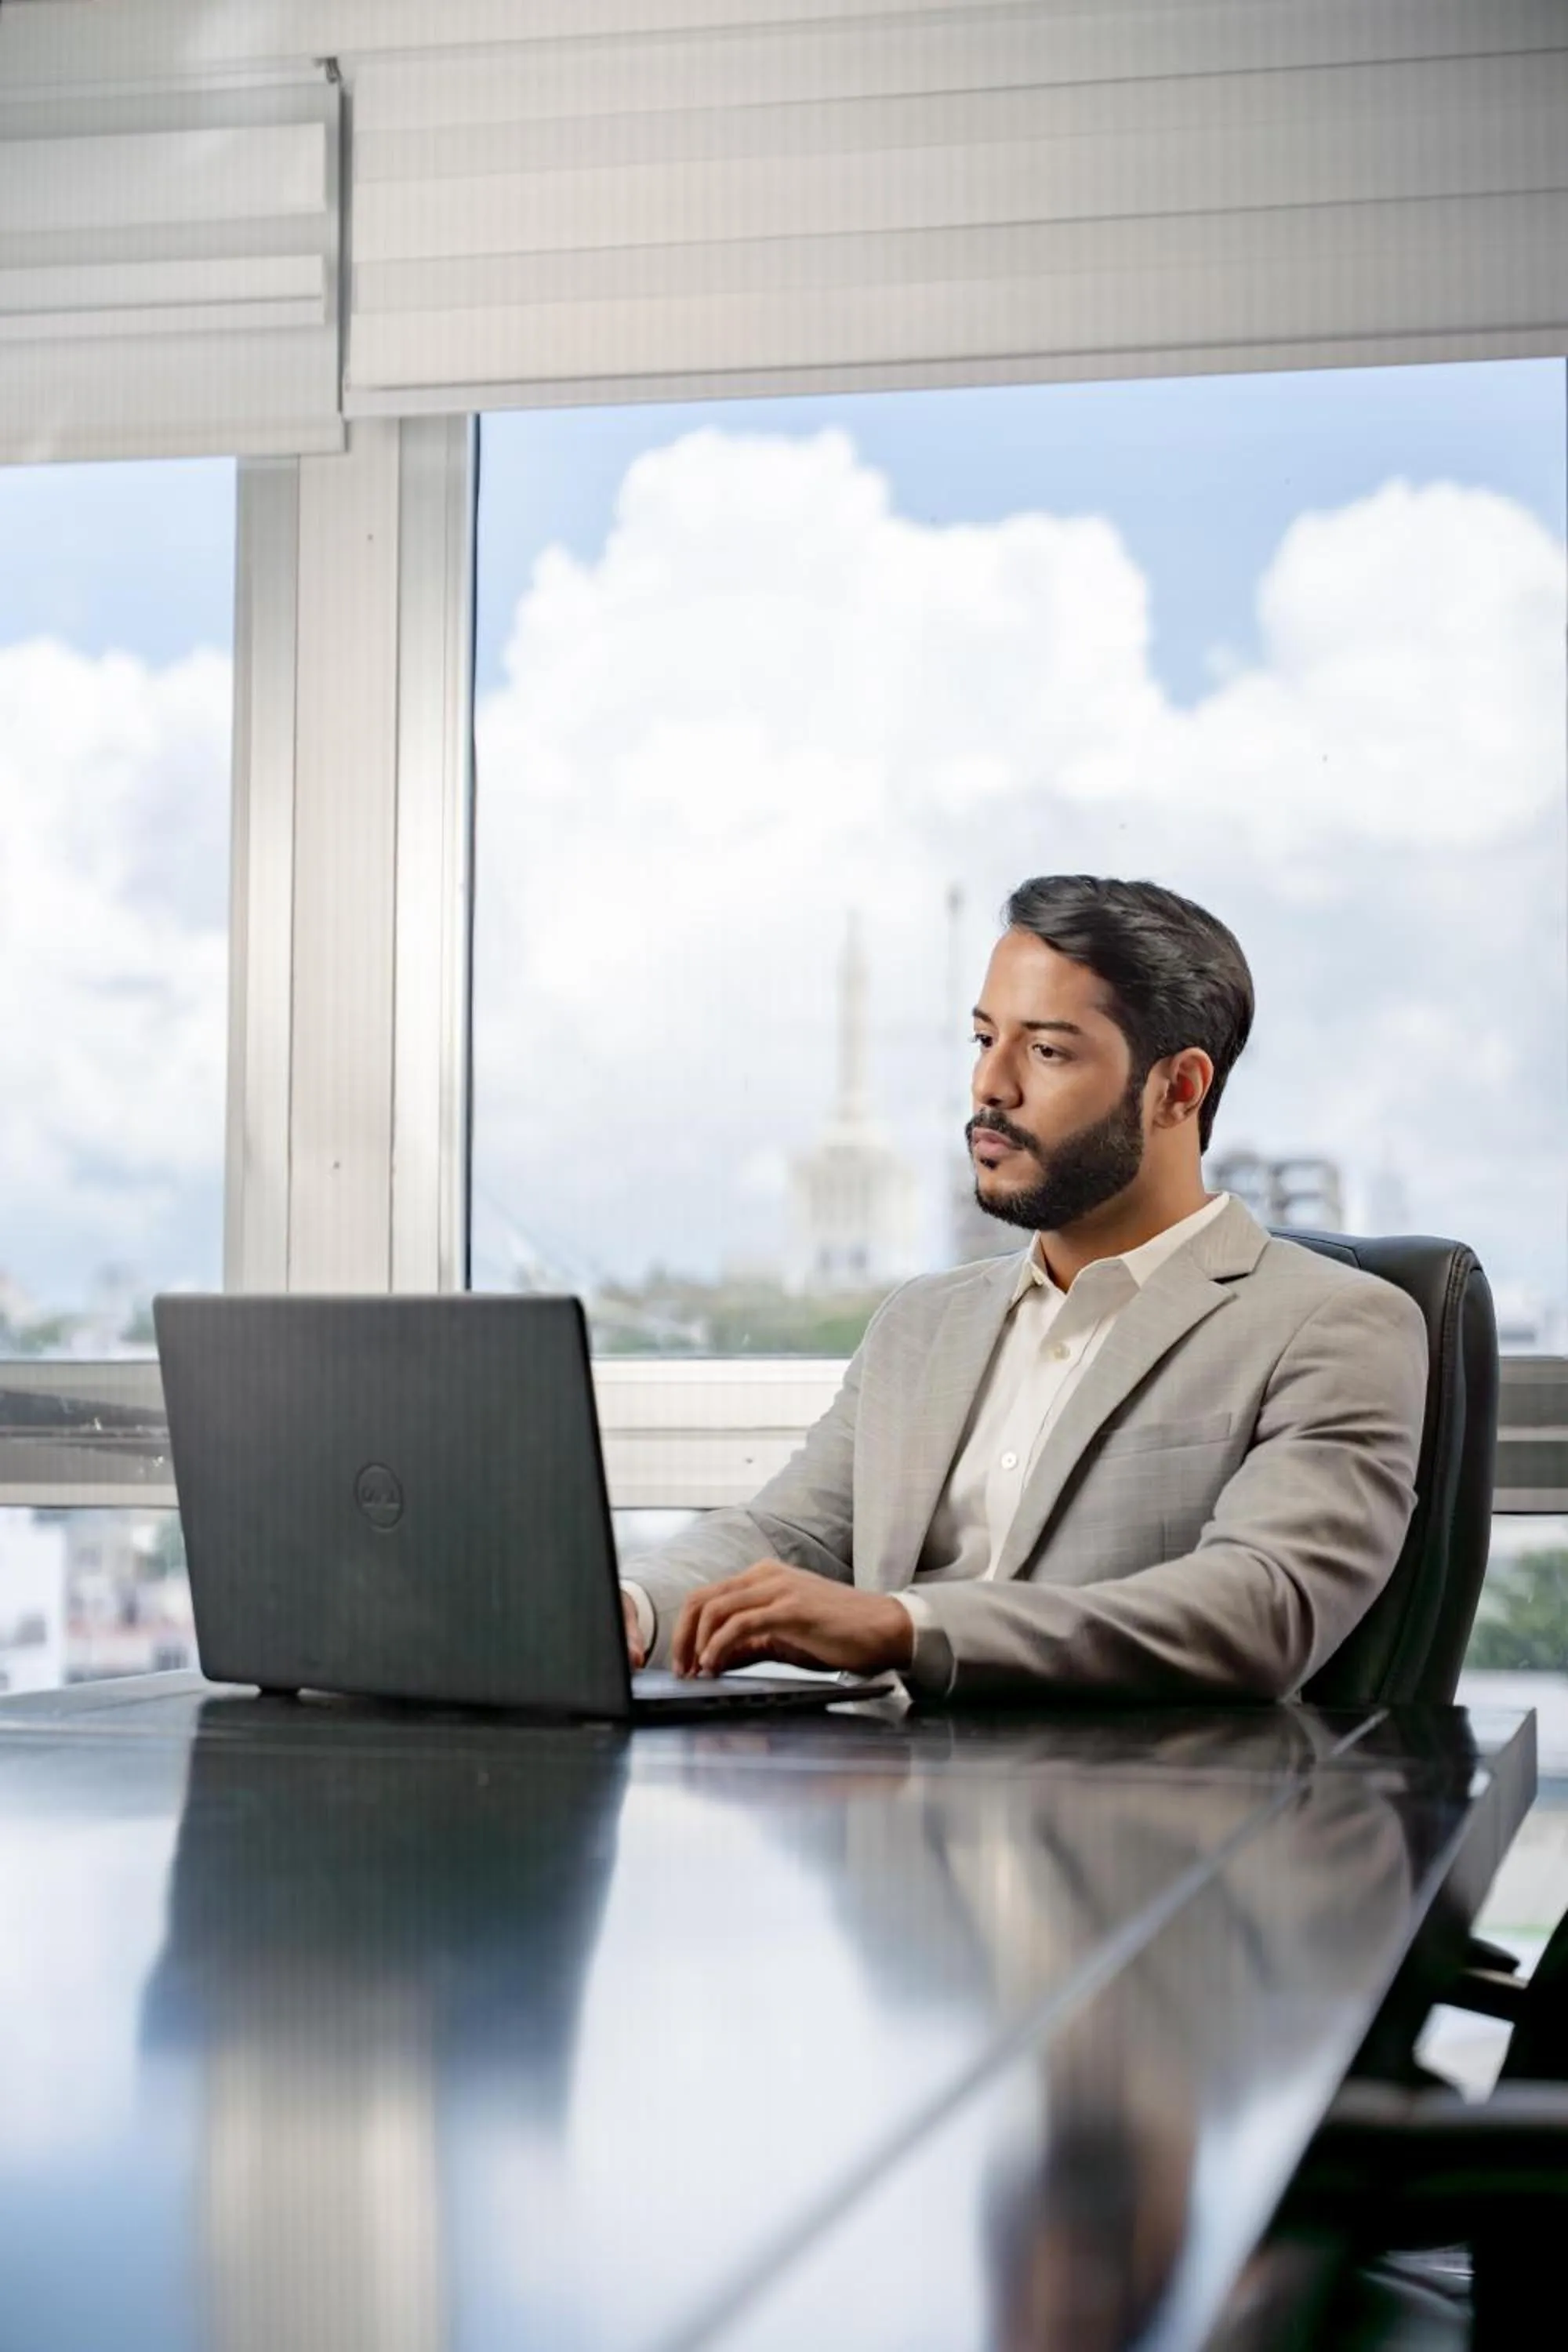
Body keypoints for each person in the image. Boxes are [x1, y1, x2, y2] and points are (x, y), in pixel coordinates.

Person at [622, 874, 1428, 1701]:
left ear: (1177, 1088)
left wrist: (907, 1627)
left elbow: (1259, 1606)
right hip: (879, 1804)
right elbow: (786, 1535)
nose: (989, 1088)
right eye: (982, 1041)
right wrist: (632, 1609)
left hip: (1130, 1810)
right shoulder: (920, 1322)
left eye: (1045, 1051)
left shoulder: (1335, 1325)